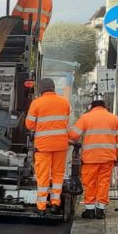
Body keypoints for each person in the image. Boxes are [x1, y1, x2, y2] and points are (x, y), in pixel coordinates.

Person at [68, 100, 118, 219]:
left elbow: (73, 135)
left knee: (90, 183)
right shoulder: (115, 119)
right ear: (105, 107)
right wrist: (117, 157)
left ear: (92, 107)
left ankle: (89, 210)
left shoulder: (86, 118)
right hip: (107, 158)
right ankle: (100, 210)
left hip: (90, 158)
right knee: (104, 183)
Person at [25, 78, 71, 215]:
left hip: (43, 146)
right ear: (53, 88)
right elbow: (65, 121)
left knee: (43, 176)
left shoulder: (36, 103)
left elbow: (29, 125)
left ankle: (41, 207)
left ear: (41, 89)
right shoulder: (64, 102)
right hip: (61, 145)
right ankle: (55, 204)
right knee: (58, 175)